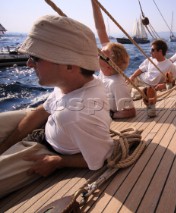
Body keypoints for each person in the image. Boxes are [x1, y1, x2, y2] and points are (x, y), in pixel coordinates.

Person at [0, 15, 114, 198]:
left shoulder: (76, 114)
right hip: (49, 128)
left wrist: (59, 161)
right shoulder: (68, 84)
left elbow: (102, 157)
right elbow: (40, 112)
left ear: (69, 65)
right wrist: (5, 146)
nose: (29, 63)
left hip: (47, 149)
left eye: (35, 58)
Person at [91, 0, 136, 119]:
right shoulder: (106, 71)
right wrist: (94, 4)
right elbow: (100, 29)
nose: (99, 52)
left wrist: (110, 115)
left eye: (102, 53)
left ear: (109, 65)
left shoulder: (117, 84)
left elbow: (130, 112)